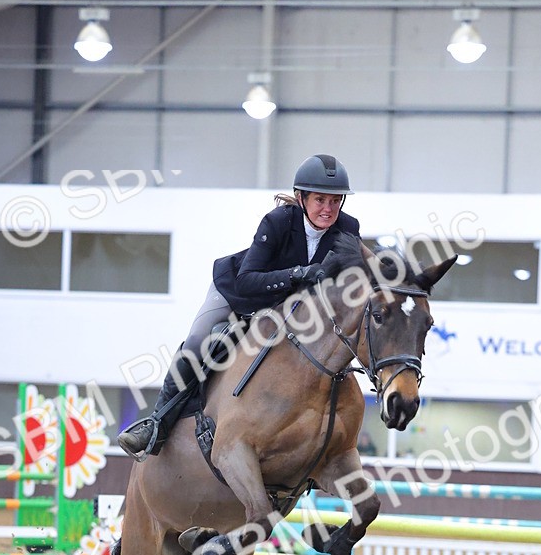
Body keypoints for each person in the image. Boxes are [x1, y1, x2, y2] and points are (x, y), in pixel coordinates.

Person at [118, 153, 361, 460]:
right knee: (197, 342)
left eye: (335, 202)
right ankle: (156, 425)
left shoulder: (348, 228)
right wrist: (299, 274)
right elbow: (247, 279)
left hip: (286, 311)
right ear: (301, 198)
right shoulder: (278, 222)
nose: (328, 210)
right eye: (320, 200)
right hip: (237, 294)